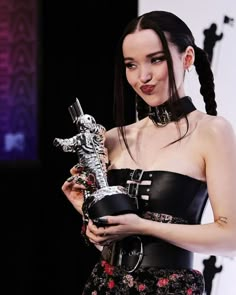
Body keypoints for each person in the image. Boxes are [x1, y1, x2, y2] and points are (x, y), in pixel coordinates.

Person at [61, 10, 236, 294]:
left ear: (187, 58)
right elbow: (105, 241)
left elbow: (230, 237)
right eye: (131, 65)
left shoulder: (212, 131)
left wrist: (142, 225)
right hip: (105, 284)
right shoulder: (114, 137)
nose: (143, 76)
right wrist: (88, 213)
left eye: (156, 59)